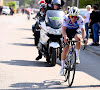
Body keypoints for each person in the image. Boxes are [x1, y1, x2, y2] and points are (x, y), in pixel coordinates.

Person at [60, 6, 87, 76]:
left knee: (78, 39)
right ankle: (62, 67)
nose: (74, 18)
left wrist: (84, 38)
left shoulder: (80, 19)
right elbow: (63, 29)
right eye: (72, 16)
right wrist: (65, 37)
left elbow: (83, 30)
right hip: (67, 31)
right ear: (69, 15)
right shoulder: (66, 18)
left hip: (75, 30)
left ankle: (77, 56)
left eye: (75, 17)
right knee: (65, 48)